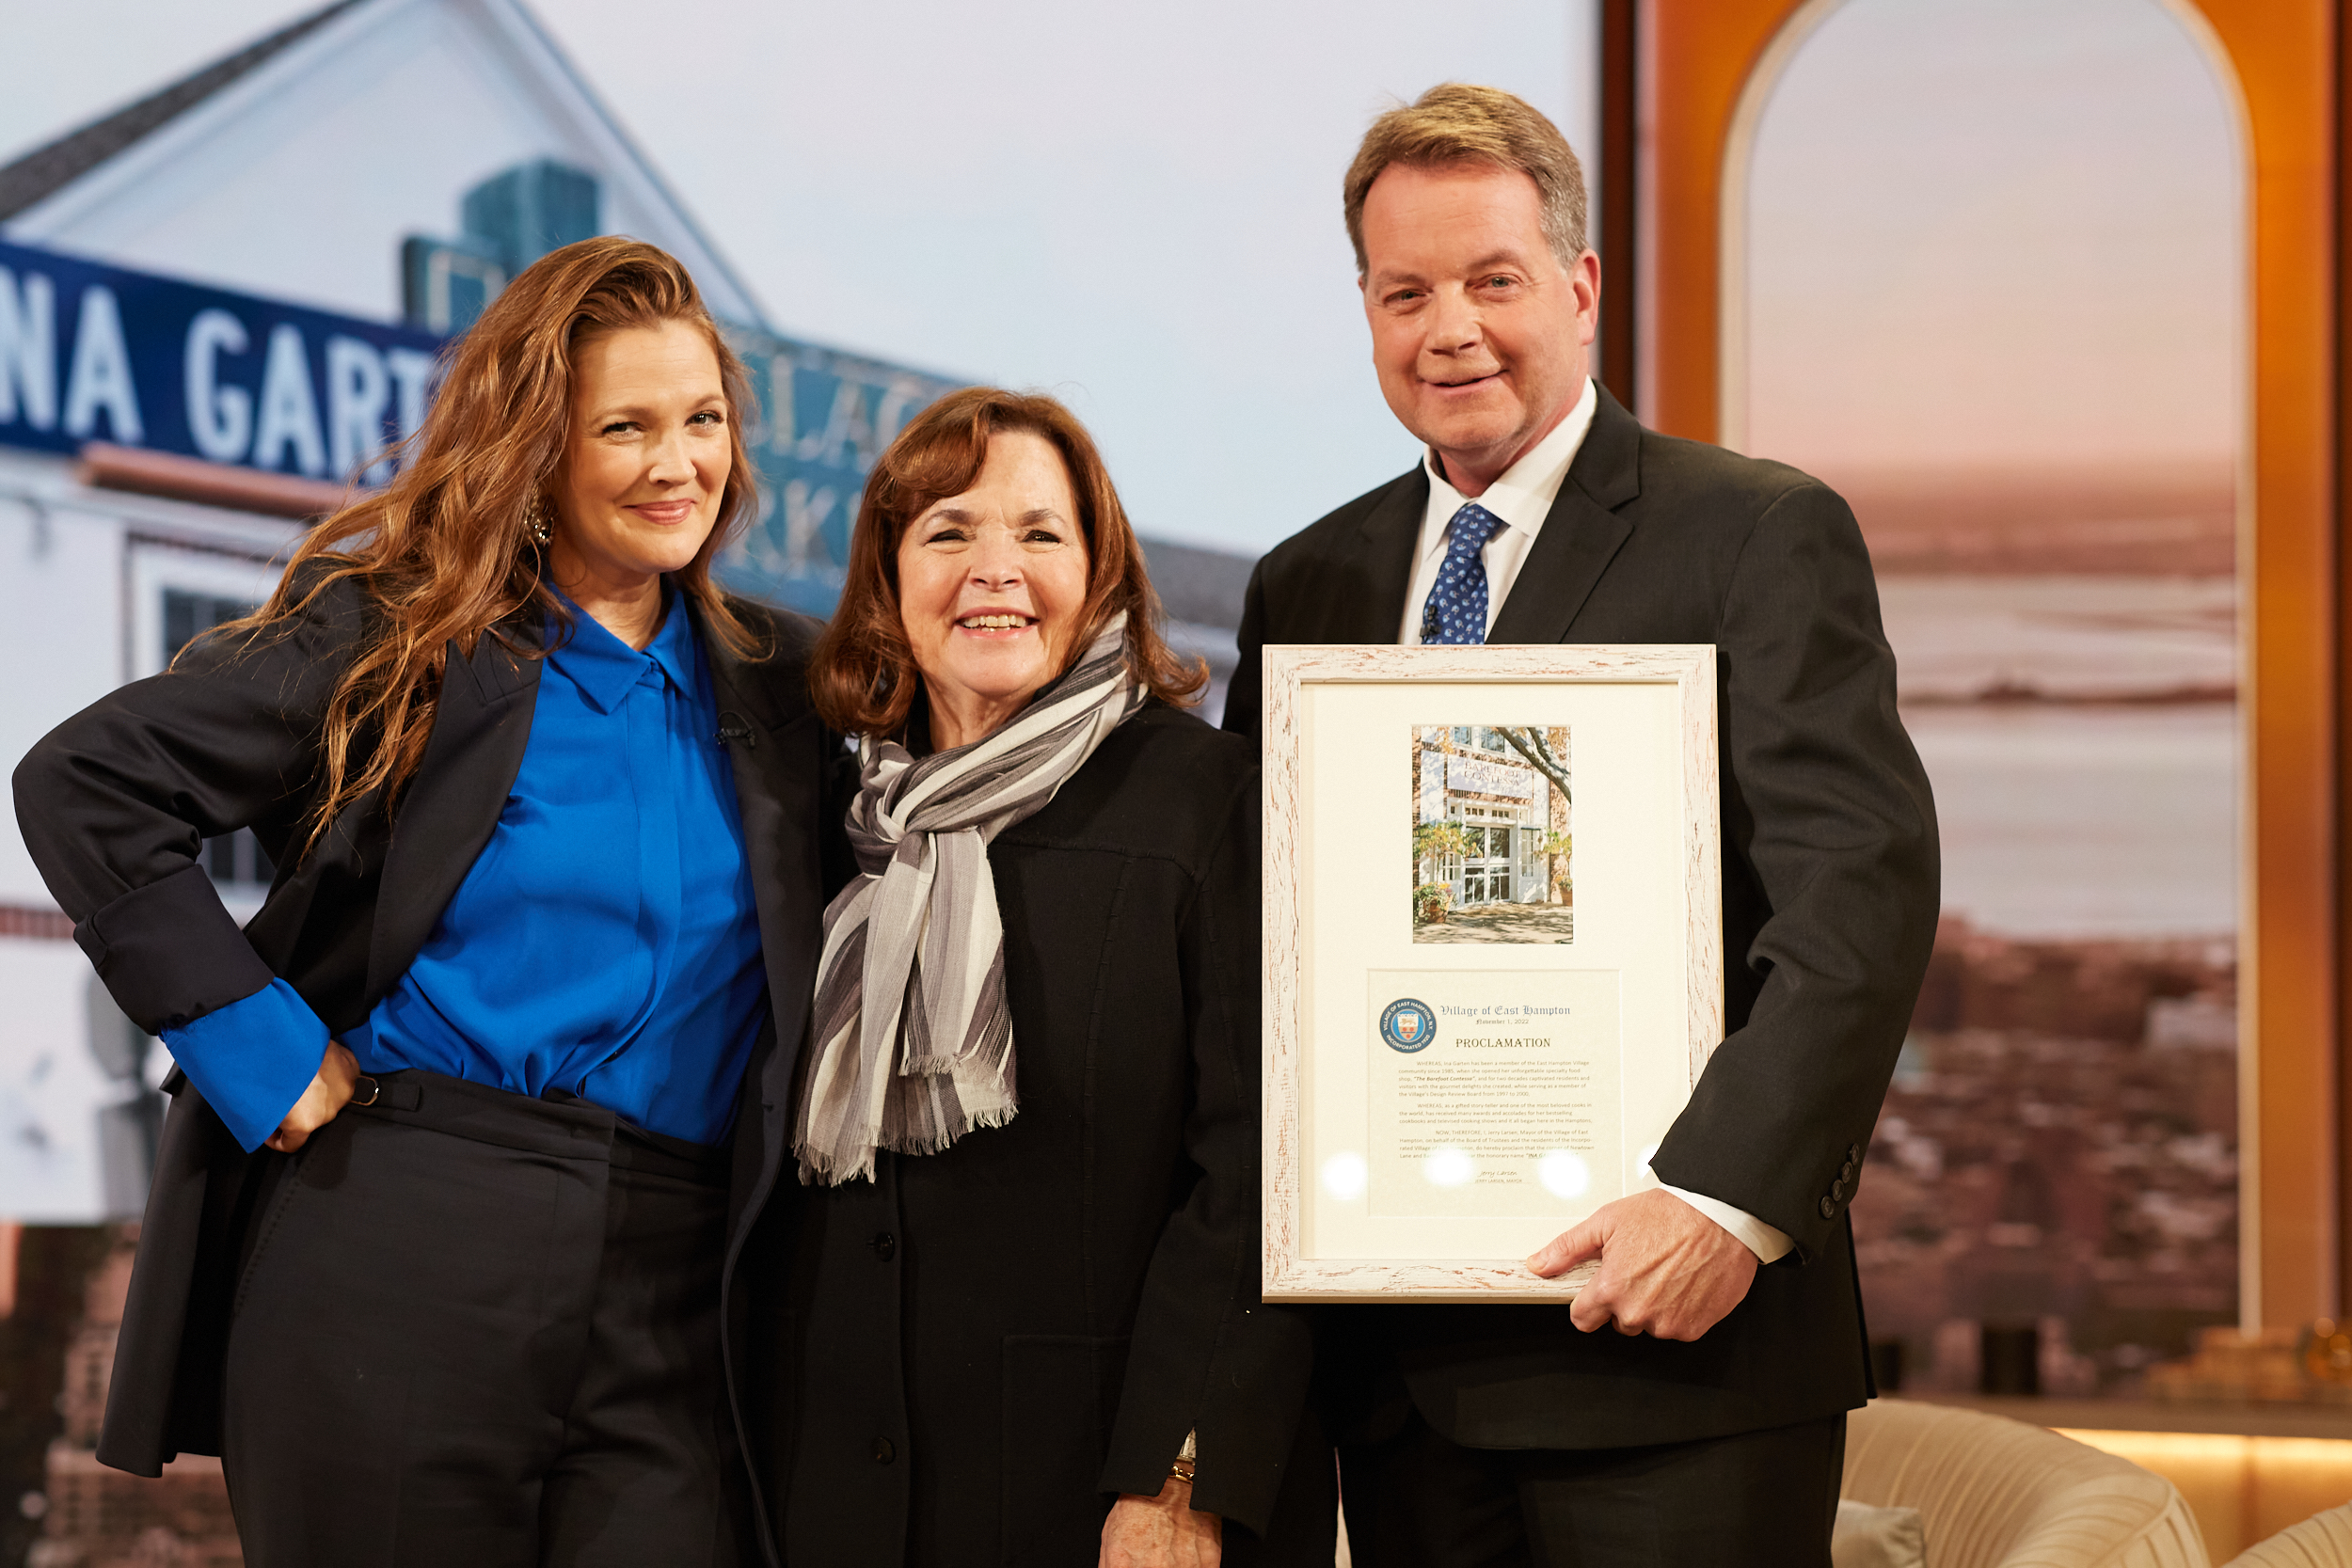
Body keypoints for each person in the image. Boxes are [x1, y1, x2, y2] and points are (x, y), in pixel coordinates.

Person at [13, 237, 843, 1566]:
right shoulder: (403, 637)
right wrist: (257, 1044)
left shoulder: (788, 686)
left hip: (686, 1291)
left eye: (702, 420)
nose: (677, 461)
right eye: (623, 425)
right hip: (405, 1237)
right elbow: (85, 784)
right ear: (537, 444)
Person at [1222, 85, 1940, 1564]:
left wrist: (1726, 1203)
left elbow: (1857, 892)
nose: (1451, 330)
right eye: (1403, 291)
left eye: (1492, 280)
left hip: (1681, 1353)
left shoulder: (1753, 530)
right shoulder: (1310, 585)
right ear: (1364, 309)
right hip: (1406, 1380)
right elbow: (1275, 945)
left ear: (1581, 285)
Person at [758, 387, 1328, 1566]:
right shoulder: (827, 812)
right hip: (829, 1477)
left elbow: (1263, 1173)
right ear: (887, 577)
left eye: (1038, 532)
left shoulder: (1204, 798)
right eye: (948, 531)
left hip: (1106, 1491)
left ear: (1102, 572)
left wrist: (1178, 1477)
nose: (993, 568)